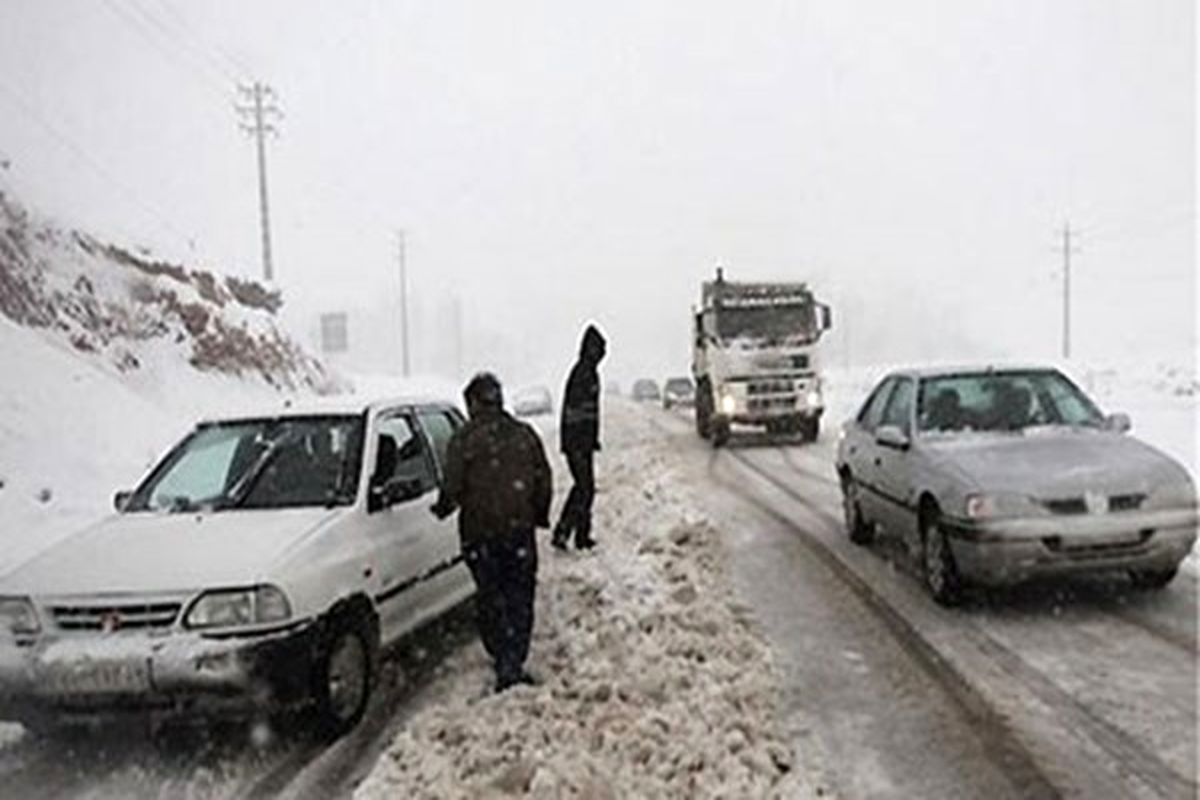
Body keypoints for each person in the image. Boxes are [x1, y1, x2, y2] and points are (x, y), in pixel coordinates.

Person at [432, 372, 553, 692]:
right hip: (518, 531)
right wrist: (538, 514)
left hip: (479, 533)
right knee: (519, 594)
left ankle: (501, 654)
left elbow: (452, 485)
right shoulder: (524, 435)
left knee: (489, 594)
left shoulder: (464, 439)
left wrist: (443, 507)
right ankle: (513, 658)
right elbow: (543, 478)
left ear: (473, 403)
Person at [552, 324, 607, 551]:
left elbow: (589, 412)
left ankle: (574, 533)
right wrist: (580, 440)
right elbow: (577, 412)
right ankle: (570, 533)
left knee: (583, 487)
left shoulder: (588, 371)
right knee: (585, 488)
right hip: (577, 442)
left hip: (581, 442)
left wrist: (591, 438)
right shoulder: (583, 373)